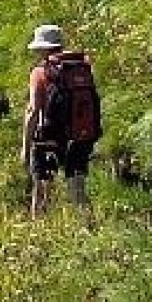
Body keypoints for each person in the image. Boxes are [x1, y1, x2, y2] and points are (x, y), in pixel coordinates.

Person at [22, 23, 98, 220]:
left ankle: (38, 232)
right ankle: (89, 227)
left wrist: (26, 145)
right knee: (77, 187)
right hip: (81, 135)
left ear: (43, 48)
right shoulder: (81, 68)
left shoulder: (40, 72)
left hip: (49, 136)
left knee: (41, 187)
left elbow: (32, 110)